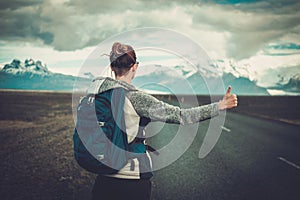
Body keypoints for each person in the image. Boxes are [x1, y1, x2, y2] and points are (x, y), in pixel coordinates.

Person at [91, 42, 238, 200]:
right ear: (135, 66)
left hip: (103, 179)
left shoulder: (95, 96)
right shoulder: (136, 98)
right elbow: (182, 116)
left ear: (111, 67)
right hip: (131, 181)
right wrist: (220, 105)